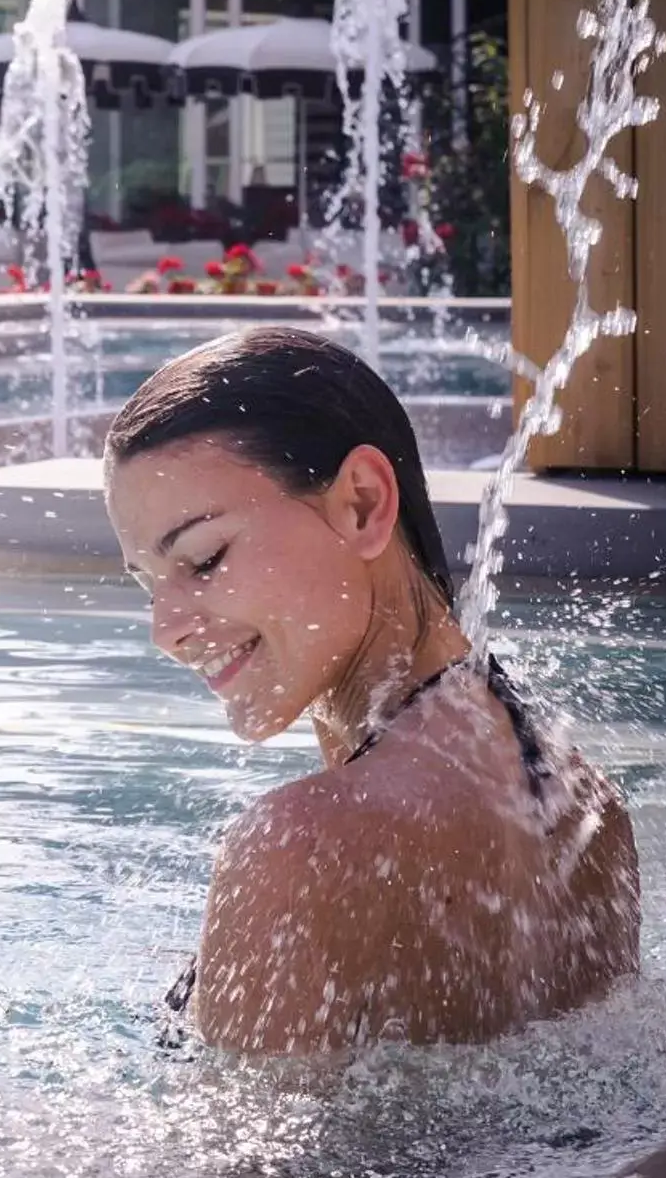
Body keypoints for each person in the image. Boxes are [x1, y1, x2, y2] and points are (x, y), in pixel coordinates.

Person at [103, 326, 637, 1055]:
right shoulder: (586, 806)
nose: (164, 631)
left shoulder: (298, 849)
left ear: (360, 503)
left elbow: (239, 1170)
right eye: (148, 585)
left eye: (201, 559)